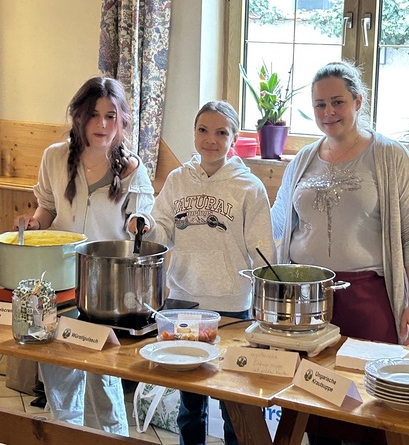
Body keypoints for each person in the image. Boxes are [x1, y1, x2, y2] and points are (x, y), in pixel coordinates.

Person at [271, 61, 409, 445]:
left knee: (369, 407)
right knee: (312, 404)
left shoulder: (389, 156)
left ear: (358, 101)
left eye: (337, 102)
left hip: (366, 299)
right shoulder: (302, 159)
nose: (328, 112)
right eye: (320, 104)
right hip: (306, 302)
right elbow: (275, 223)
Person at [14, 76, 155, 436]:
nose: (102, 124)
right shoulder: (54, 157)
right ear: (78, 116)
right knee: (59, 369)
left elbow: (142, 220)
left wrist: (140, 223)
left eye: (110, 116)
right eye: (93, 114)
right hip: (59, 280)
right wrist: (35, 223)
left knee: (102, 376)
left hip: (105, 287)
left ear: (122, 120)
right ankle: (65, 434)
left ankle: (108, 438)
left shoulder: (132, 167)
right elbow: (47, 208)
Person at [147, 100, 276, 445]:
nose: (210, 140)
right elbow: (161, 230)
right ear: (194, 133)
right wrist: (143, 224)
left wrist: (265, 310)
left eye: (221, 132)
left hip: (231, 306)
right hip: (183, 302)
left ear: (234, 138)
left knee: (233, 399)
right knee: (190, 400)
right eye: (203, 130)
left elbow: (263, 252)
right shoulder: (177, 180)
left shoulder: (249, 187)